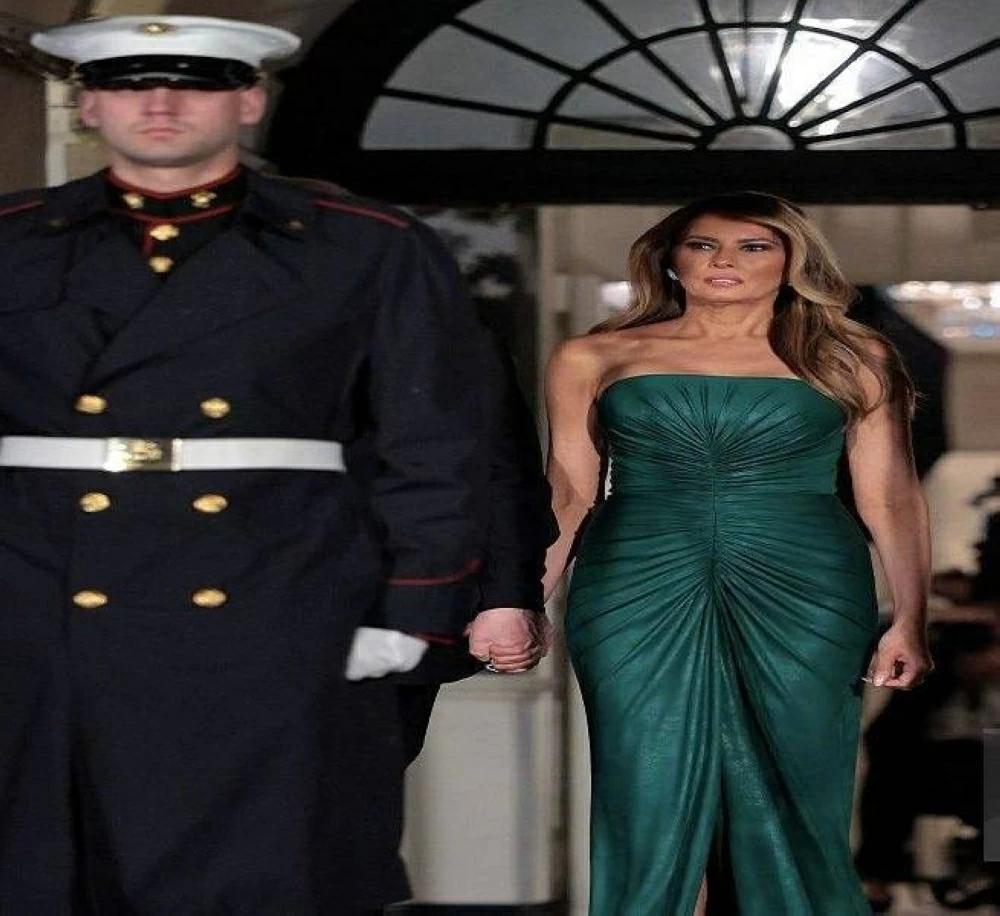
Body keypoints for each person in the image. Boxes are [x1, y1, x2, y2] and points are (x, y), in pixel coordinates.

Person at [0, 15, 550, 914]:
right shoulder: (13, 239)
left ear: (249, 101)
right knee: (51, 864)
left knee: (264, 865)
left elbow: (438, 440)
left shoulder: (364, 244)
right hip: (40, 593)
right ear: (88, 105)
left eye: (194, 83)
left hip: (278, 593)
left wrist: (417, 606)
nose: (161, 104)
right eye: (131, 84)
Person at [542, 192, 934, 915]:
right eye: (703, 245)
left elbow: (890, 497)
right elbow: (567, 491)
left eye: (753, 246)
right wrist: (522, 600)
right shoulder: (593, 355)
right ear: (671, 259)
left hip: (804, 580)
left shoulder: (850, 356)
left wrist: (910, 617)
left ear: (792, 261)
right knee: (644, 779)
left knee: (794, 780)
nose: (724, 261)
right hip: (636, 577)